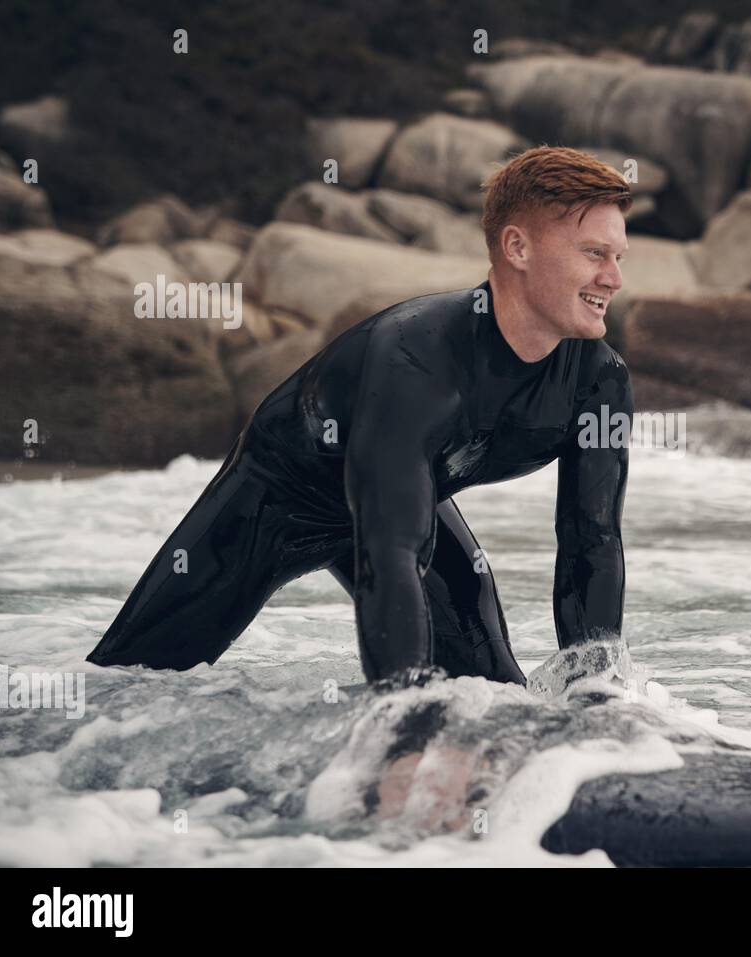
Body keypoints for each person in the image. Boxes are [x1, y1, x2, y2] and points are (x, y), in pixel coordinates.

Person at [87, 146, 634, 687]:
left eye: (618, 257)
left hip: (401, 505)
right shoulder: (417, 356)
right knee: (128, 683)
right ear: (517, 247)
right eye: (593, 254)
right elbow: (391, 552)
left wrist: (597, 702)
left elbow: (592, 541)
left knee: (493, 688)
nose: (613, 278)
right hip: (275, 503)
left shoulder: (598, 381)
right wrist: (404, 727)